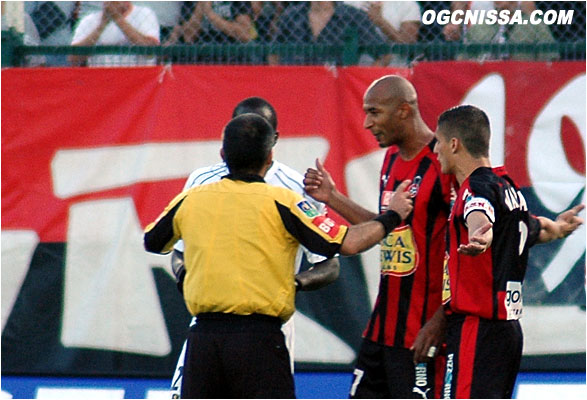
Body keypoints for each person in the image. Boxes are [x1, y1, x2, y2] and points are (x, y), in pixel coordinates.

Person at [144, 113, 413, 398]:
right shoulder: (285, 202)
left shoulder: (192, 199)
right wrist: (393, 215)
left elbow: (153, 241)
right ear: (270, 156)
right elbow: (349, 243)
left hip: (204, 341)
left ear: (222, 153)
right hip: (259, 341)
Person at [168, 96, 341, 398]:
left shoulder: (295, 187)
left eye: (259, 129)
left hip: (268, 326)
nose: (248, 134)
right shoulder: (201, 181)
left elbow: (329, 262)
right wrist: (186, 277)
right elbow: (177, 250)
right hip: (209, 322)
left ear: (274, 139)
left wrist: (290, 283)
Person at [304, 74, 453, 398]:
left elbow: (465, 251)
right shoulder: (391, 159)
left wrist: (440, 320)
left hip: (421, 333)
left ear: (403, 110)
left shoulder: (442, 164)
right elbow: (387, 226)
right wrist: (332, 197)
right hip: (381, 330)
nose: (367, 123)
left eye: (374, 112)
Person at [432, 104, 584, 398]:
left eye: (438, 142)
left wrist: (480, 235)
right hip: (507, 333)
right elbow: (537, 230)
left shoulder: (475, 189)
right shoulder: (509, 190)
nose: (436, 150)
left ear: (454, 144)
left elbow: (480, 216)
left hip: (478, 330)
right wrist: (560, 228)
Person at [268, 1, 391, 66]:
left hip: (337, 89)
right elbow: (273, 53)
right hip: (297, 85)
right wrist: (281, 77)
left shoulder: (353, 17)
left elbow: (384, 54)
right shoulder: (291, 16)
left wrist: (358, 80)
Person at [70, 1, 160, 67]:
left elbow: (150, 51)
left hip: (137, 82)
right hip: (101, 80)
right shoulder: (89, 20)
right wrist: (102, 25)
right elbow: (73, 59)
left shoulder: (144, 14)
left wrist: (118, 19)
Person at [163, 1, 255, 64]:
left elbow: (244, 34)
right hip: (199, 52)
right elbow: (189, 36)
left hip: (231, 51)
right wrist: (201, 5)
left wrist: (210, 14)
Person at [346, 1, 421, 65]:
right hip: (354, 70)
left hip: (395, 70)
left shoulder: (407, 4)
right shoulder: (350, 2)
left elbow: (407, 43)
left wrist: (380, 21)